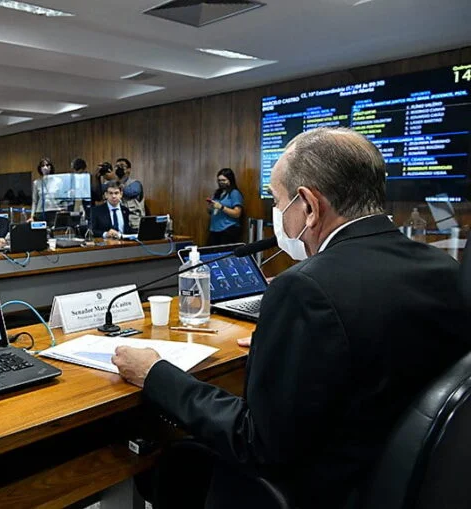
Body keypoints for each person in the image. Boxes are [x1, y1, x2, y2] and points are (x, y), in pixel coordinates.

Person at [111, 127, 468, 509]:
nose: (278, 214)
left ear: (310, 206)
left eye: (278, 202)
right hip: (411, 483)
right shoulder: (444, 268)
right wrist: (289, 341)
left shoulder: (305, 288)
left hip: (322, 492)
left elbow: (254, 441)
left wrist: (155, 374)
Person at [207, 168, 244, 245]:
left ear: (230, 180)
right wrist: (210, 207)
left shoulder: (234, 193)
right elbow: (211, 211)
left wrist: (222, 207)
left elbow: (237, 213)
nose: (221, 182)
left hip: (228, 229)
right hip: (215, 229)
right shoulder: (217, 193)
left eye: (224, 180)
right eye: (219, 180)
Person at [114, 158, 144, 230]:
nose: (119, 168)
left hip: (133, 223)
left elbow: (129, 192)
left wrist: (119, 183)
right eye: (117, 166)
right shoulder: (111, 184)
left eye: (122, 166)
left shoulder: (135, 184)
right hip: (117, 223)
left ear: (129, 169)